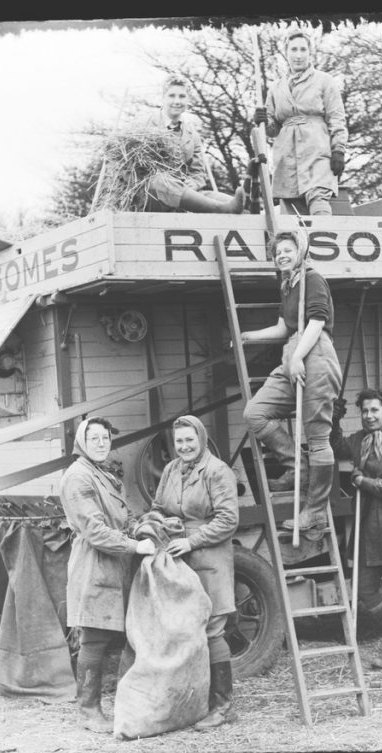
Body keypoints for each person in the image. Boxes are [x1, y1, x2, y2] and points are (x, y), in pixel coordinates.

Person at [241, 229, 343, 532]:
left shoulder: (312, 278)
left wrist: (298, 356)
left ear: (301, 251)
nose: (282, 255)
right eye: (278, 252)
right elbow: (284, 327)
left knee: (317, 438)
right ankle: (298, 467)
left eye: (288, 250)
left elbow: (317, 320)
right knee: (254, 413)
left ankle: (315, 512)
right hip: (294, 352)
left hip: (316, 353)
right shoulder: (288, 284)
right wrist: (250, 336)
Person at [59, 417, 156, 733]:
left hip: (117, 562)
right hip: (95, 562)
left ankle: (127, 702)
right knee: (95, 636)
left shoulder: (103, 473)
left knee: (121, 634)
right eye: (94, 438)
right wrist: (135, 546)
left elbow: (124, 515)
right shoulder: (78, 477)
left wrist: (142, 527)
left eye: (105, 438)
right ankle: (88, 709)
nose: (101, 443)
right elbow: (95, 531)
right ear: (81, 443)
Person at [149, 415, 240, 729]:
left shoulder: (217, 471)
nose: (184, 447)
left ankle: (223, 706)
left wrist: (192, 540)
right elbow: (158, 505)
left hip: (210, 557)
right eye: (179, 442)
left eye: (190, 440)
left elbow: (228, 519)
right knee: (188, 629)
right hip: (180, 557)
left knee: (212, 628)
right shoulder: (173, 469)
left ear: (201, 439)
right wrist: (159, 521)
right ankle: (197, 702)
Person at [330, 388, 382, 669]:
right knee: (365, 590)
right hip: (367, 527)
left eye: (374, 410)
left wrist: (361, 481)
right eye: (364, 411)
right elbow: (336, 446)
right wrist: (333, 419)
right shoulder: (361, 441)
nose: (369, 416)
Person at [252, 29, 347, 217]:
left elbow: (337, 118)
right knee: (293, 210)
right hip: (286, 153)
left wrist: (338, 150)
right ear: (286, 52)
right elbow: (272, 129)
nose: (298, 55)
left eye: (303, 50)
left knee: (318, 197)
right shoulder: (276, 88)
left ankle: (324, 240)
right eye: (293, 50)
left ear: (309, 53)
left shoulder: (324, 81)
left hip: (316, 148)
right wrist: (262, 120)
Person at [142, 75, 245, 214]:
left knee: (228, 201)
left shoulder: (192, 134)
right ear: (163, 98)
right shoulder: (145, 126)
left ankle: (236, 209)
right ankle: (221, 209)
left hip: (184, 194)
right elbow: (136, 168)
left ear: (188, 100)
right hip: (153, 194)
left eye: (182, 96)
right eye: (171, 96)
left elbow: (197, 171)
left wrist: (195, 183)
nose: (177, 101)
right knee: (159, 181)